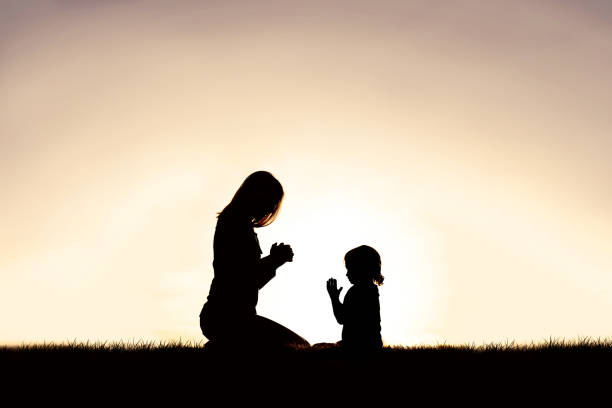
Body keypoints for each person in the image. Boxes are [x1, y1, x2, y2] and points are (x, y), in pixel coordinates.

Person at [199, 170, 309, 350]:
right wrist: (274, 260)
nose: (271, 209)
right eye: (271, 202)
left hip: (232, 317)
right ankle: (222, 346)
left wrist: (274, 261)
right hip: (228, 318)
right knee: (298, 346)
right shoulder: (234, 224)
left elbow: (249, 280)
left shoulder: (237, 224)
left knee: (298, 346)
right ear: (256, 195)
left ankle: (224, 345)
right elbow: (243, 278)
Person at [326, 245, 384, 351]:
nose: (347, 274)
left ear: (361, 268)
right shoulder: (372, 290)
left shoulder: (356, 291)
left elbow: (341, 318)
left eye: (350, 269)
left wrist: (334, 298)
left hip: (357, 347)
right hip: (371, 344)